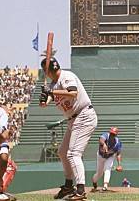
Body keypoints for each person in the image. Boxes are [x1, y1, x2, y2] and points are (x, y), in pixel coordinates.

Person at [39, 57, 97, 200]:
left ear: (48, 71)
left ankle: (81, 189)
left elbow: (73, 93)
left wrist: (52, 93)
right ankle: (68, 186)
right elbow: (47, 100)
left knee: (73, 154)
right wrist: (44, 98)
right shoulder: (53, 84)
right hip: (73, 119)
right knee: (63, 152)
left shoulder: (67, 76)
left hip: (83, 115)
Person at [92, 127, 123, 192]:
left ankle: (105, 186)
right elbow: (101, 139)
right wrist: (103, 144)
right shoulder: (106, 135)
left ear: (116, 135)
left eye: (113, 134)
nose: (112, 135)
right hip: (100, 156)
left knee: (107, 169)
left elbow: (118, 154)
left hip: (110, 157)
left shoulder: (118, 143)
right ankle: (94, 182)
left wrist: (119, 164)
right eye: (111, 133)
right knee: (99, 173)